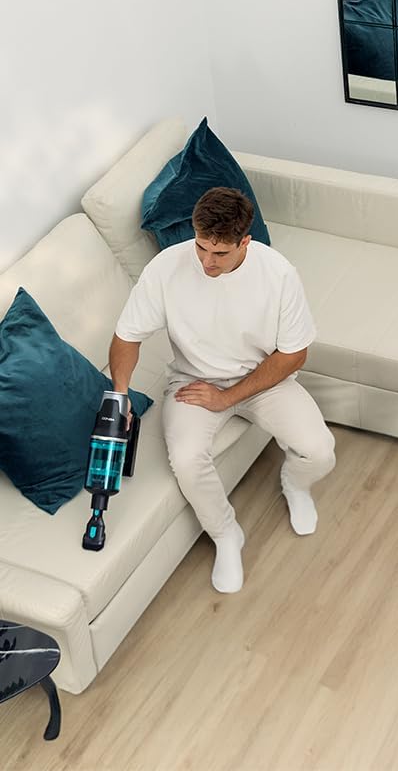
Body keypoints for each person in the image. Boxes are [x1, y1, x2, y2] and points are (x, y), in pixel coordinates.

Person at [109, 187, 336, 594]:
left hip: (264, 379)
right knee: (187, 458)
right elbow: (127, 336)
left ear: (245, 242)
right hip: (192, 382)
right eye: (200, 248)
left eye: (220, 254)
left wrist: (229, 398)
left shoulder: (278, 273)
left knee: (320, 452)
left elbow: (293, 355)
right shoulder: (167, 268)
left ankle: (295, 484)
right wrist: (120, 394)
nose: (206, 262)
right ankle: (226, 534)